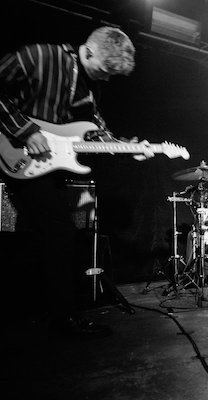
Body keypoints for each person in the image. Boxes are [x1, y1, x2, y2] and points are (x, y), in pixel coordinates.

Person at [0, 26, 153, 337]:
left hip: (45, 168)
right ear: (89, 51)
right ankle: (61, 321)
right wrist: (25, 130)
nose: (107, 79)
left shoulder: (89, 87)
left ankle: (52, 315)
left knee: (56, 236)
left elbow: (95, 132)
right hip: (14, 151)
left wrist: (127, 149)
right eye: (106, 71)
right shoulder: (40, 56)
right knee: (58, 233)